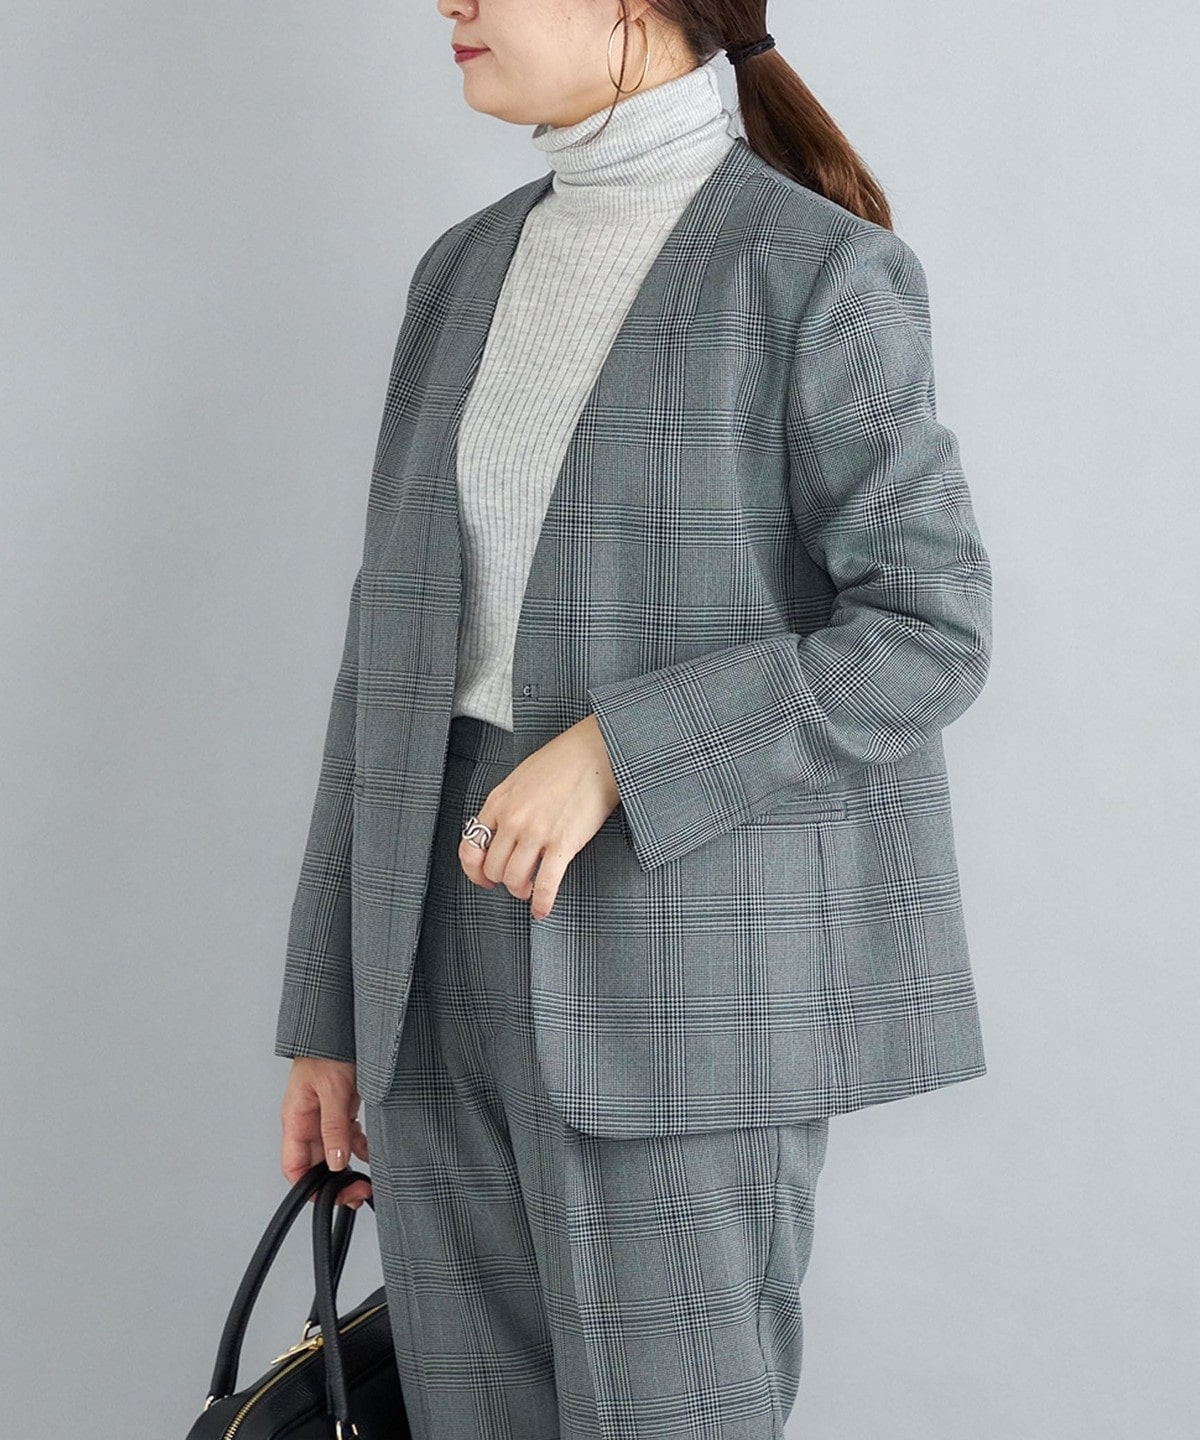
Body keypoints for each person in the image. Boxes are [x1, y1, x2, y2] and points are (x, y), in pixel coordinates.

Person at [274, 2, 993, 1436]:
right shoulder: (461, 272)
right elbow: (387, 648)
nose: (450, 2)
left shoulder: (813, 271)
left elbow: (930, 628)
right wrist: (330, 1008)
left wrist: (619, 753)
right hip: (431, 956)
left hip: (681, 965)